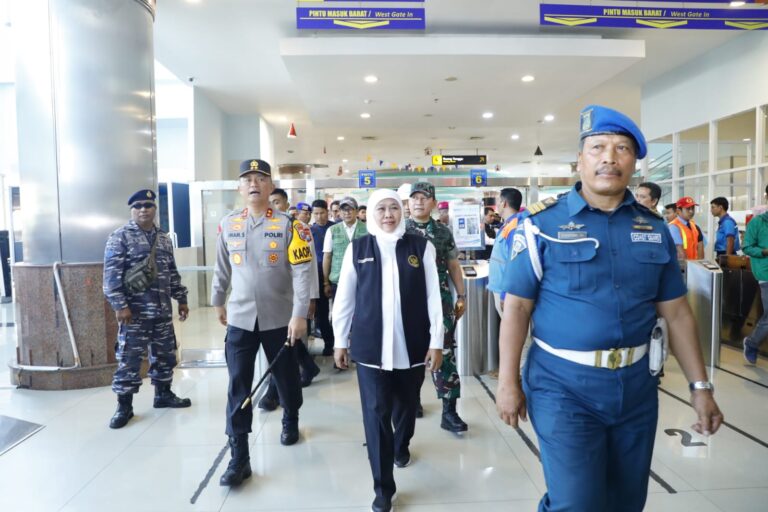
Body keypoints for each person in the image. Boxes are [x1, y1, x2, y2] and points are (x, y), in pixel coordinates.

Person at [496, 105, 723, 512]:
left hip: (636, 385)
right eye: (597, 147)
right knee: (577, 502)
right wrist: (507, 381)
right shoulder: (540, 225)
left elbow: (677, 313)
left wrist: (699, 387)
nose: (609, 158)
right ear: (580, 159)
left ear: (634, 163)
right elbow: (516, 309)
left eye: (621, 149)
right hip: (561, 385)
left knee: (626, 501)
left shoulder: (654, 229)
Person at [332, 189, 444, 512]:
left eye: (393, 208)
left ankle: (401, 444)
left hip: (411, 346)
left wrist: (436, 341)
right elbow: (344, 299)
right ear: (370, 214)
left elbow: (433, 298)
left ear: (402, 211)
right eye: (381, 209)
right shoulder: (359, 248)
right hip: (370, 349)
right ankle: (383, 488)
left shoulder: (421, 247)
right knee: (376, 414)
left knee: (407, 407)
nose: (388, 215)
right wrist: (340, 339)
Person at [211, 158, 313, 487]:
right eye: (247, 179)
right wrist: (217, 301)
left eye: (261, 178)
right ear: (240, 187)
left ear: (270, 187)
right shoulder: (228, 224)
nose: (254, 183)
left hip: (279, 318)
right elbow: (222, 267)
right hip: (240, 316)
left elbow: (302, 273)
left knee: (285, 376)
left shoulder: (290, 226)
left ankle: (291, 417)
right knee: (238, 385)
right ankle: (239, 457)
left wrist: (299, 314)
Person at [103, 189, 191, 429]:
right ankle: (124, 406)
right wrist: (120, 306)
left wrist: (181, 298)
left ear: (155, 209)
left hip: (162, 312)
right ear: (132, 210)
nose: (143, 209)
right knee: (129, 360)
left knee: (165, 355)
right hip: (135, 314)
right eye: (138, 206)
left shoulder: (163, 238)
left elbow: (171, 272)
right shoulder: (120, 237)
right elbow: (111, 277)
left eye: (148, 205)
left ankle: (163, 395)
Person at [406, 182, 468, 432]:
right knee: (409, 352)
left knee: (445, 353)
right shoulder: (400, 230)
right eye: (414, 198)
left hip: (440, 300)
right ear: (408, 202)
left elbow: (453, 264)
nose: (419, 201)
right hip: (408, 300)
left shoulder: (443, 232)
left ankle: (449, 412)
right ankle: (413, 401)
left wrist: (461, 294)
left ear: (433, 202)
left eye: (424, 197)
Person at [258, 196, 321, 411]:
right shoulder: (256, 226)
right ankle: (309, 366)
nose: (273, 205)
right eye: (271, 201)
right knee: (289, 343)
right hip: (269, 301)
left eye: (277, 202)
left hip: (293, 301)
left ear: (285, 204)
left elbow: (309, 267)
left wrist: (311, 298)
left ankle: (273, 394)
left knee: (284, 348)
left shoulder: (298, 228)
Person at [740, 185, 768, 364]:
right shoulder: (757, 222)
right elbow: (747, 246)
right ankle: (751, 342)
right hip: (766, 274)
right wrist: (765, 252)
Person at [488, 187, 524, 317]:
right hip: (501, 287)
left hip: (507, 291)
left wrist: (505, 293)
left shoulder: (514, 227)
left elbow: (514, 263)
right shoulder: (508, 225)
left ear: (504, 203)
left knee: (515, 330)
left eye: (498, 201)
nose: (497, 204)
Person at [323, 196, 367, 301]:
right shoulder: (332, 230)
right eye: (343, 209)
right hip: (338, 281)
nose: (347, 212)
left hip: (362, 281)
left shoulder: (368, 229)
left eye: (350, 209)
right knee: (339, 315)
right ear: (340, 212)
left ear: (356, 211)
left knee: (360, 314)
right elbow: (327, 256)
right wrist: (326, 282)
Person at [309, 199, 335, 356]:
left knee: (340, 312)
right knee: (322, 313)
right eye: (316, 213)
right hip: (317, 275)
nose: (319, 217)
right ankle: (328, 344)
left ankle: (341, 343)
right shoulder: (309, 231)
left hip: (336, 273)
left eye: (322, 213)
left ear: (328, 212)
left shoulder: (335, 228)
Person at [669, 196, 704, 261]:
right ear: (678, 211)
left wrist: (699, 266)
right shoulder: (674, 227)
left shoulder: (694, 226)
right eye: (688, 209)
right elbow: (680, 253)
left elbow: (700, 249)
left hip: (693, 266)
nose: (691, 211)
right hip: (681, 267)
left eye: (692, 208)